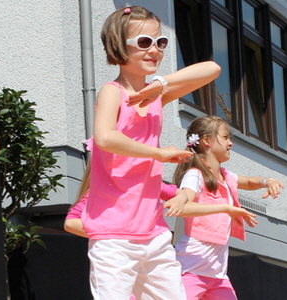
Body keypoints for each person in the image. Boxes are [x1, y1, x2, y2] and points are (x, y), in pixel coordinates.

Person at [84, 6, 221, 299]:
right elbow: (105, 137)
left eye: (160, 42)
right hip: (114, 233)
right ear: (119, 47)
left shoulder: (155, 94)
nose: (155, 50)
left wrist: (160, 84)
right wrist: (156, 153)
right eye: (144, 43)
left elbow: (212, 69)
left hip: (153, 230)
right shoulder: (113, 91)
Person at [171, 116, 281, 300]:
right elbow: (185, 204)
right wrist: (225, 208)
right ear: (207, 140)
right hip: (191, 269)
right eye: (225, 137)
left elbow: (247, 181)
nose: (230, 143)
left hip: (218, 276)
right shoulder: (195, 175)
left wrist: (266, 181)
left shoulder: (225, 176)